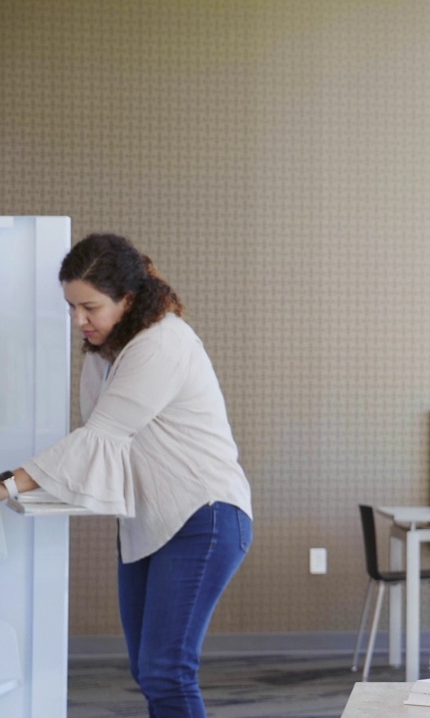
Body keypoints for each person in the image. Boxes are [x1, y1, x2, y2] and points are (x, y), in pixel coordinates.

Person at [0, 233, 253, 718]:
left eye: (89, 307)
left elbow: (99, 437)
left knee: (167, 669)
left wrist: (8, 482)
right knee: (149, 670)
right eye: (72, 308)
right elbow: (100, 444)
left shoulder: (162, 343)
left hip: (204, 515)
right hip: (150, 521)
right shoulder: (107, 350)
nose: (79, 320)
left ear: (129, 299)